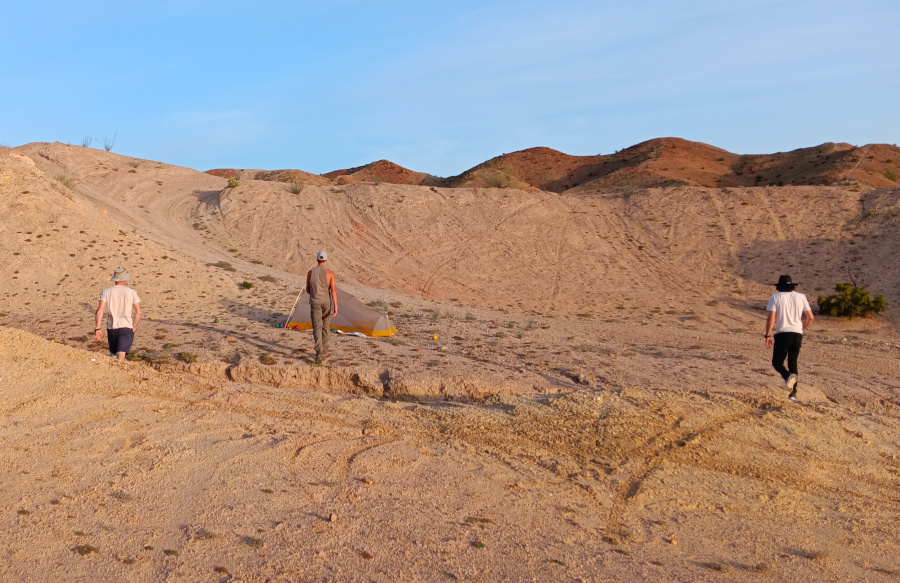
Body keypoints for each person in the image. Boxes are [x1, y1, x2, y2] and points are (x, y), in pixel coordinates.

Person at [764, 274, 814, 401]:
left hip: (782, 333)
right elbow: (810, 317)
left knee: (777, 363)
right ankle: (793, 394)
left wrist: (767, 335)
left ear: (779, 287)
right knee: (793, 362)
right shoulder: (801, 297)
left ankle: (787, 377)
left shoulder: (775, 297)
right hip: (797, 334)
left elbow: (771, 318)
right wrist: (802, 328)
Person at [95, 268, 142, 363]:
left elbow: (100, 310)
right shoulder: (131, 291)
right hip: (126, 326)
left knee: (113, 354)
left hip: (111, 327)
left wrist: (97, 328)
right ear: (125, 279)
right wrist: (134, 326)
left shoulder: (106, 291)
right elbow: (138, 312)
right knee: (121, 355)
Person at [306, 251, 338, 364]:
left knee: (317, 327)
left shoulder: (310, 272)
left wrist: (315, 295)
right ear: (326, 260)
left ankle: (319, 351)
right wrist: (336, 305)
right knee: (326, 327)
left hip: (315, 302)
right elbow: (333, 290)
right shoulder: (330, 273)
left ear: (317, 259)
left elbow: (308, 289)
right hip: (326, 302)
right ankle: (324, 351)